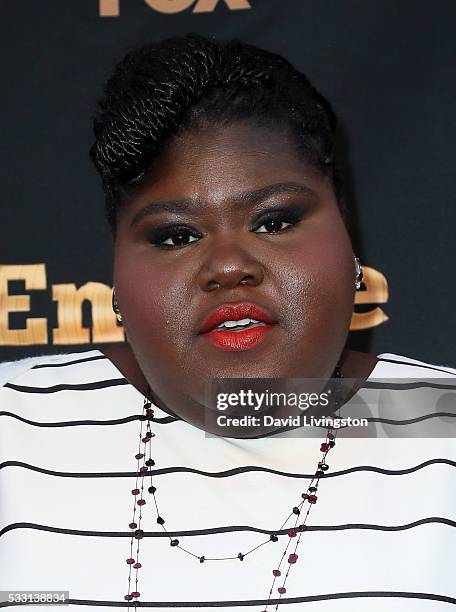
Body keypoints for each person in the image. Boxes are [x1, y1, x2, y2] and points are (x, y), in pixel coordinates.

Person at [1, 33, 455, 611]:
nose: (228, 265)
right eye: (176, 235)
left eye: (274, 221)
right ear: (114, 277)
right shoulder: (14, 425)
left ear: (349, 244)